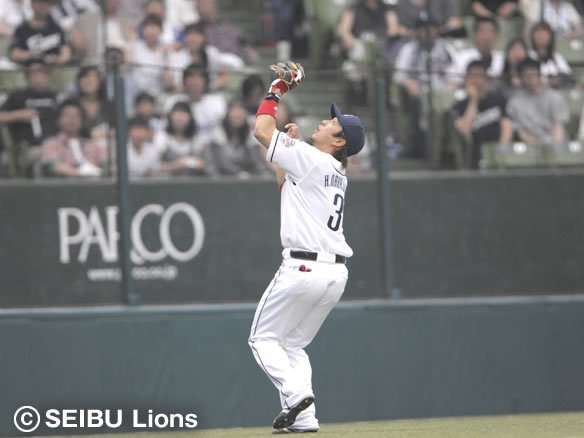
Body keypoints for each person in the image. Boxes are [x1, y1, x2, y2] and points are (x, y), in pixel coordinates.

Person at [249, 61, 365, 434]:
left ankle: (297, 394)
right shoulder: (336, 171)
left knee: (262, 339)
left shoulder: (313, 159)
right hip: (334, 275)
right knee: (293, 346)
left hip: (302, 268)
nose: (326, 121)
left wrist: (277, 89)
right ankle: (305, 418)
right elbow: (287, 186)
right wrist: (290, 148)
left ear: (339, 141)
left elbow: (261, 130)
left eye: (333, 123)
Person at [394, 14, 458, 156]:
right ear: (417, 31)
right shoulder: (409, 49)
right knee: (416, 101)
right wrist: (410, 84)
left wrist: (449, 88)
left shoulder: (445, 48)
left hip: (441, 92)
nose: (428, 32)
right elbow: (399, 76)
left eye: (431, 28)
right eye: (423, 28)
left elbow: (455, 75)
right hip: (419, 92)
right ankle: (420, 146)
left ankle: (446, 147)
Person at [451, 60, 512, 168]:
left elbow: (507, 126)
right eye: (472, 76)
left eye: (479, 76)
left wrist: (500, 152)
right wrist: (473, 100)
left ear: (486, 79)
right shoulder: (458, 106)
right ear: (466, 79)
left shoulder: (498, 100)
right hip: (473, 157)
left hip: (498, 153)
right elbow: (464, 131)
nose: (476, 80)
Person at [504, 58, 568, 146]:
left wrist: (554, 147)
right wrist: (534, 145)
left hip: (553, 145)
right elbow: (519, 131)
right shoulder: (514, 102)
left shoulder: (555, 97)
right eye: (527, 76)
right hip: (527, 147)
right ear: (521, 78)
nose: (532, 79)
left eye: (534, 75)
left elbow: (559, 127)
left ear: (540, 75)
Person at [168, 21, 244, 92]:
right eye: (190, 35)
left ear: (203, 38)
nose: (193, 39)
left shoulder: (211, 52)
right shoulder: (177, 56)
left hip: (209, 93)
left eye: (197, 35)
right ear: (185, 38)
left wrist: (209, 87)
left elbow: (224, 76)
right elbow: (176, 84)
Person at [0, 59, 58, 147]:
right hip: (27, 146)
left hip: (57, 145)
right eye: (34, 72)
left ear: (47, 75)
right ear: (27, 76)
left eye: (41, 71)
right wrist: (17, 115)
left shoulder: (56, 96)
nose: (38, 75)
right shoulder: (17, 96)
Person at [41, 98, 105, 177]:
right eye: (67, 115)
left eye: (76, 115)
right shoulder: (51, 143)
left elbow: (107, 163)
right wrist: (82, 174)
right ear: (58, 119)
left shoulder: (92, 144)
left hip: (96, 183)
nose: (72, 119)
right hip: (66, 183)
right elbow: (53, 166)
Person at [164, 62, 227, 140]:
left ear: (206, 81)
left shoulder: (217, 102)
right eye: (191, 77)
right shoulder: (173, 101)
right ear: (184, 81)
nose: (194, 82)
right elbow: (167, 130)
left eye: (199, 77)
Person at [209, 100, 267, 176]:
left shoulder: (249, 133)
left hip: (244, 174)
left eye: (240, 112)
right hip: (219, 176)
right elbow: (222, 163)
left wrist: (263, 174)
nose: (237, 115)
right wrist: (238, 173)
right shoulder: (218, 132)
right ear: (227, 114)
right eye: (234, 112)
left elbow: (256, 160)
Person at [154, 101, 211, 176]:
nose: (180, 118)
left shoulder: (196, 138)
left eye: (183, 114)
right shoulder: (162, 137)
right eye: (177, 114)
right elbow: (154, 166)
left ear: (190, 117)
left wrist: (188, 162)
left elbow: (204, 164)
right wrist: (176, 165)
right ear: (170, 117)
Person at [9, 0, 72, 65]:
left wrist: (56, 60)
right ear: (32, 4)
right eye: (40, 3)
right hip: (30, 68)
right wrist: (35, 56)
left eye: (48, 3)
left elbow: (66, 53)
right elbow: (14, 54)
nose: (44, 6)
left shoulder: (56, 28)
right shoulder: (22, 29)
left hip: (53, 68)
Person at [196, 0, 259, 64]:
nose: (204, 9)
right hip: (207, 64)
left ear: (214, 7)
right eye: (202, 6)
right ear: (197, 8)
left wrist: (249, 52)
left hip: (231, 61)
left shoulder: (228, 28)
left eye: (207, 5)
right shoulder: (194, 29)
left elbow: (244, 44)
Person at [453, 17, 504, 82]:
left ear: (496, 35)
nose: (486, 36)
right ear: (475, 34)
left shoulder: (502, 58)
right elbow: (454, 81)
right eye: (482, 31)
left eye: (490, 31)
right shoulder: (462, 57)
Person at [131, 14, 170, 96]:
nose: (151, 31)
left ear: (161, 31)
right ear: (143, 30)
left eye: (155, 27)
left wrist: (166, 58)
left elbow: (168, 82)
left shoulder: (165, 50)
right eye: (148, 27)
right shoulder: (135, 47)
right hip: (136, 94)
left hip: (157, 94)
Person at [528, 21, 573, 88]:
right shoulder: (527, 55)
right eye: (538, 32)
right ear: (532, 36)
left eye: (544, 33)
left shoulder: (557, 57)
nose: (541, 36)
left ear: (550, 37)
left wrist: (555, 80)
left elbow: (567, 77)